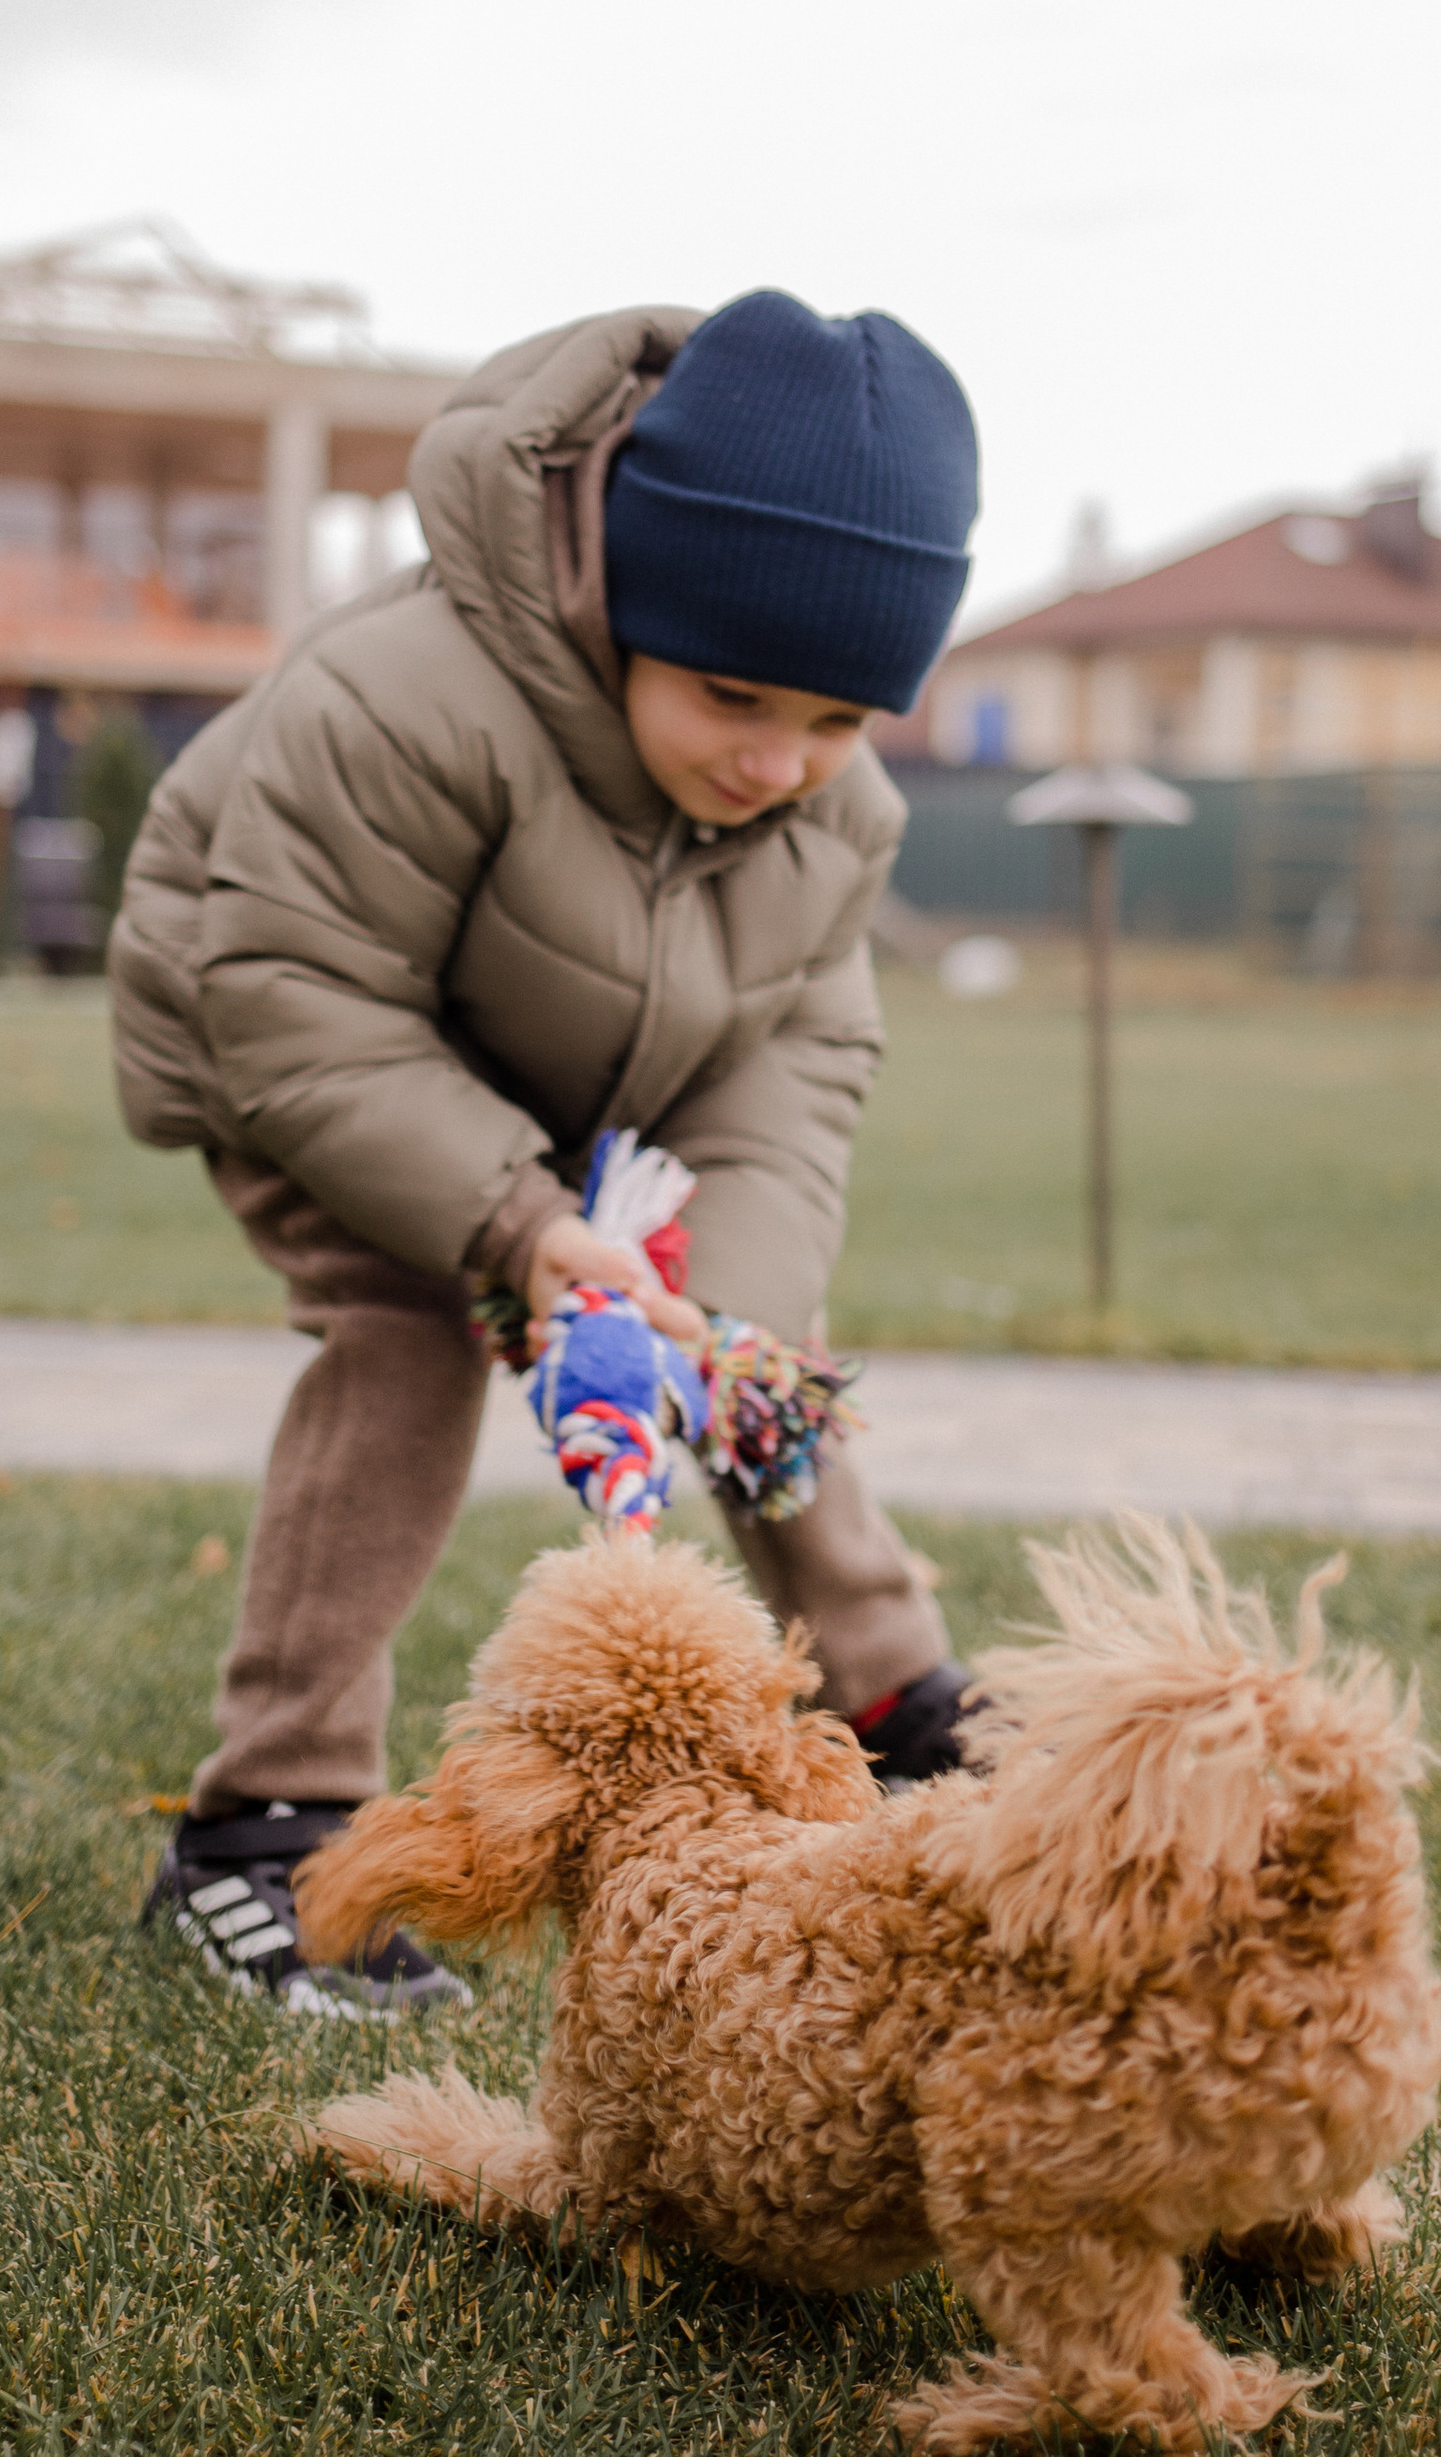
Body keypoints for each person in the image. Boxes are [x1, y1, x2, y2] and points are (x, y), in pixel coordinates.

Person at [109, 289, 982, 2020]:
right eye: (735, 694)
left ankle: (904, 1708)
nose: (776, 761)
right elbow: (292, 995)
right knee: (406, 1328)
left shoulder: (830, 814)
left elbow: (797, 1060)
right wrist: (511, 1221)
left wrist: (715, 1315)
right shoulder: (406, 697)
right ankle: (268, 1829)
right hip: (301, 1036)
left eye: (833, 722)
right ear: (621, 602)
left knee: (737, 1366)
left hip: (598, 1075)